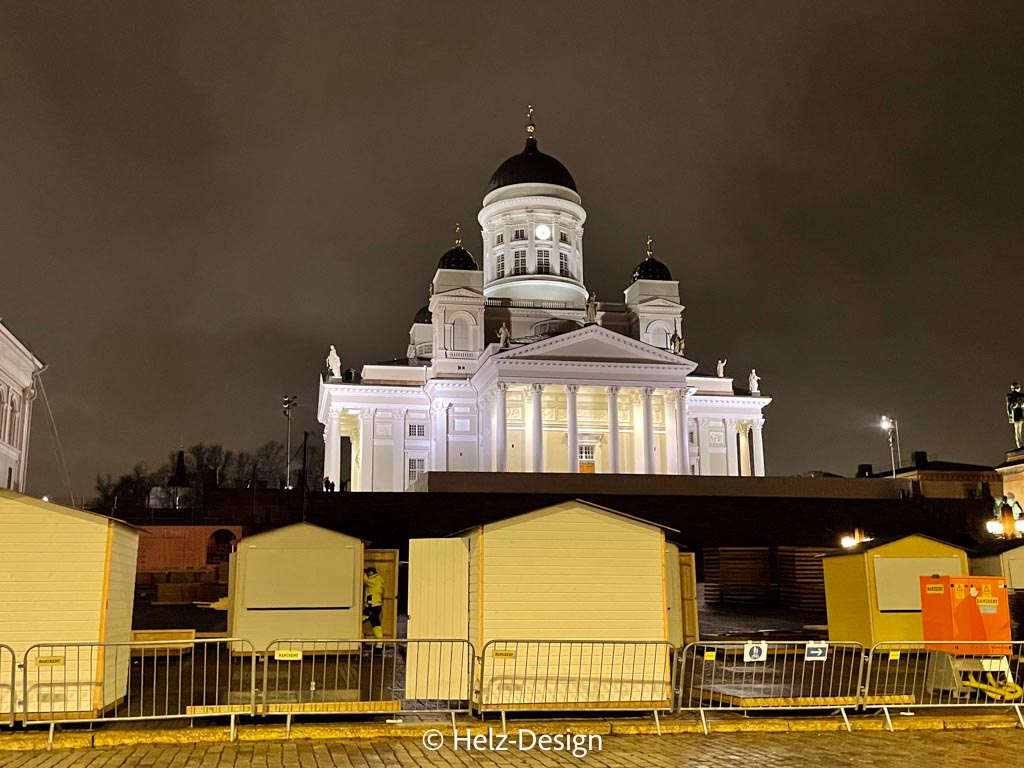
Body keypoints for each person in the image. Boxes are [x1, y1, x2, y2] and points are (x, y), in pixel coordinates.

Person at [362, 566, 386, 649]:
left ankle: (378, 643)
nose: (368, 573)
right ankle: (379, 644)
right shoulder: (378, 579)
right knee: (376, 624)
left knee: (363, 619)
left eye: (369, 572)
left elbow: (366, 581)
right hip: (373, 605)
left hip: (373, 606)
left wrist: (363, 572)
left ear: (373, 572)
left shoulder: (375, 579)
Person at [1008, 382, 1024, 449]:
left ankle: (1020, 445)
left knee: (1018, 431)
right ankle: (1020, 445)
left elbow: (1009, 408)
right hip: (1018, 415)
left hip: (1018, 415)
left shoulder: (1011, 396)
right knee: (1018, 431)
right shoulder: (1012, 396)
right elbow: (1009, 407)